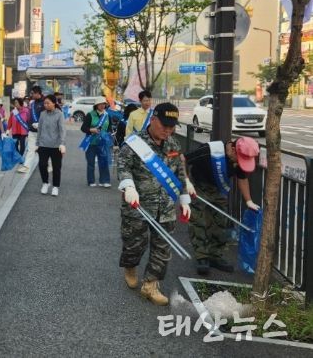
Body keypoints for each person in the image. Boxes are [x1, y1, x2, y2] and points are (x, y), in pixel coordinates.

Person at [117, 103, 191, 306]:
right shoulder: (134, 143)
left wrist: (185, 198)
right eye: (164, 125)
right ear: (153, 120)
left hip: (165, 207)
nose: (168, 130)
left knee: (162, 248)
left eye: (172, 126)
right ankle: (130, 266)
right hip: (138, 206)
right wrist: (128, 185)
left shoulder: (174, 145)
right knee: (134, 245)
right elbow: (123, 167)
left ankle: (150, 285)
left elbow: (179, 173)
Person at [185, 136, 261, 275]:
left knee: (220, 222)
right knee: (198, 221)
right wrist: (186, 181)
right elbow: (182, 159)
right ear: (233, 149)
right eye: (239, 159)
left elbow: (242, 179)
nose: (239, 163)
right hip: (199, 187)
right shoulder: (209, 150)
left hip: (218, 190)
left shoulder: (239, 158)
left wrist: (248, 201)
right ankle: (202, 257)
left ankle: (215, 255)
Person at [35, 94, 66, 196]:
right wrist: (37, 143)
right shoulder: (42, 114)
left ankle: (55, 186)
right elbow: (40, 129)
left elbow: (62, 130)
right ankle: (45, 183)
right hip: (43, 145)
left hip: (56, 146)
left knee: (56, 167)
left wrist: (62, 143)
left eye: (48, 103)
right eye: (45, 103)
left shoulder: (59, 114)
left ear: (54, 103)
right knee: (42, 165)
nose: (46, 105)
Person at [80, 96, 112, 188]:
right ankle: (91, 181)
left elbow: (109, 128)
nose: (102, 106)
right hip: (91, 142)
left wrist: (107, 135)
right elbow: (83, 128)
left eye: (104, 104)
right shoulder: (90, 115)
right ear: (96, 105)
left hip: (103, 143)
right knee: (91, 163)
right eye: (100, 104)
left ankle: (104, 181)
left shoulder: (107, 115)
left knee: (104, 162)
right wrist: (91, 130)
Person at [19, 86, 44, 173]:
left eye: (32, 93)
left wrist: (40, 124)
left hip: (42, 132)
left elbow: (47, 117)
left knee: (45, 150)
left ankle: (49, 164)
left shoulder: (45, 103)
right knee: (30, 149)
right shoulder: (32, 103)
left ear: (37, 93)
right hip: (32, 131)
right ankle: (26, 166)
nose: (31, 95)